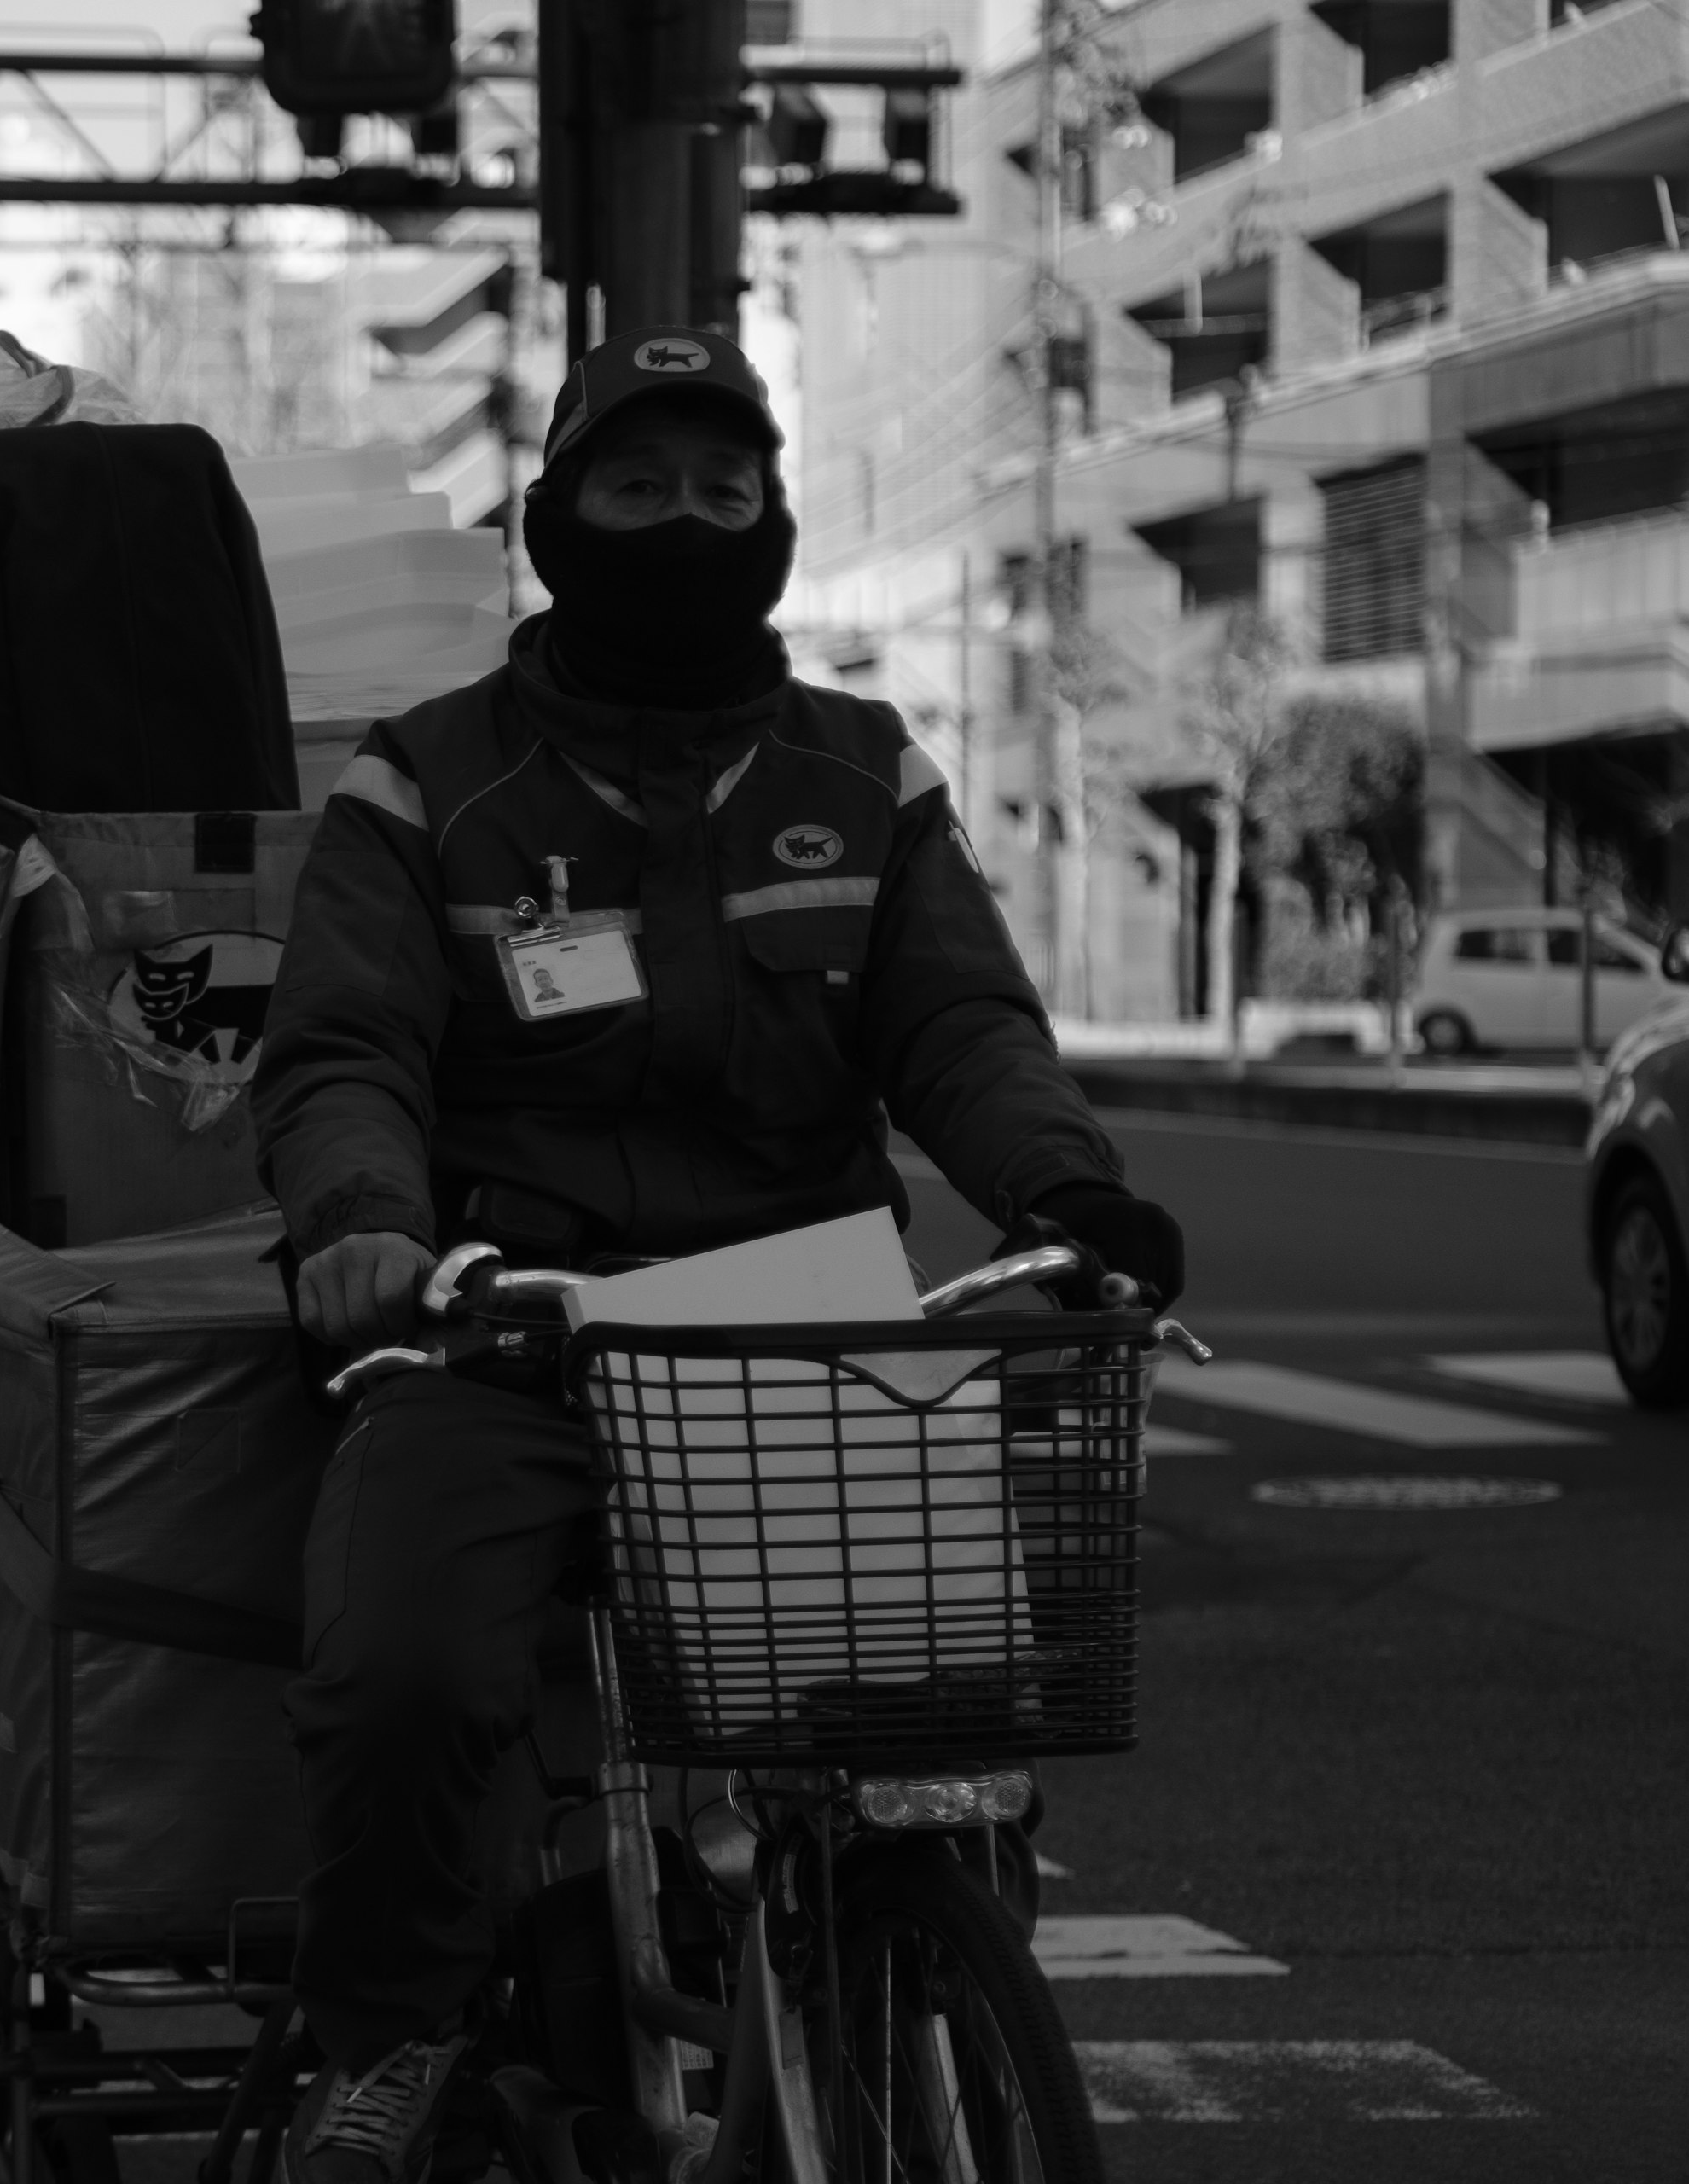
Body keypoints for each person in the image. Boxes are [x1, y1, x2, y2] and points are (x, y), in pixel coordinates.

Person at [249, 327, 1186, 2184]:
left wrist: (1066, 1197)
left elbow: (964, 1030)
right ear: (555, 519)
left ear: (770, 525)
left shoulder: (864, 772)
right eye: (637, 486)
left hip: (802, 1335)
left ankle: (908, 1959)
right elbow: (347, 1048)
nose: (684, 520)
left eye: (721, 490)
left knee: (947, 1693)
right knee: (410, 1674)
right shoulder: (424, 784)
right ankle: (393, 2036)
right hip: (511, 1329)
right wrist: (365, 1227)